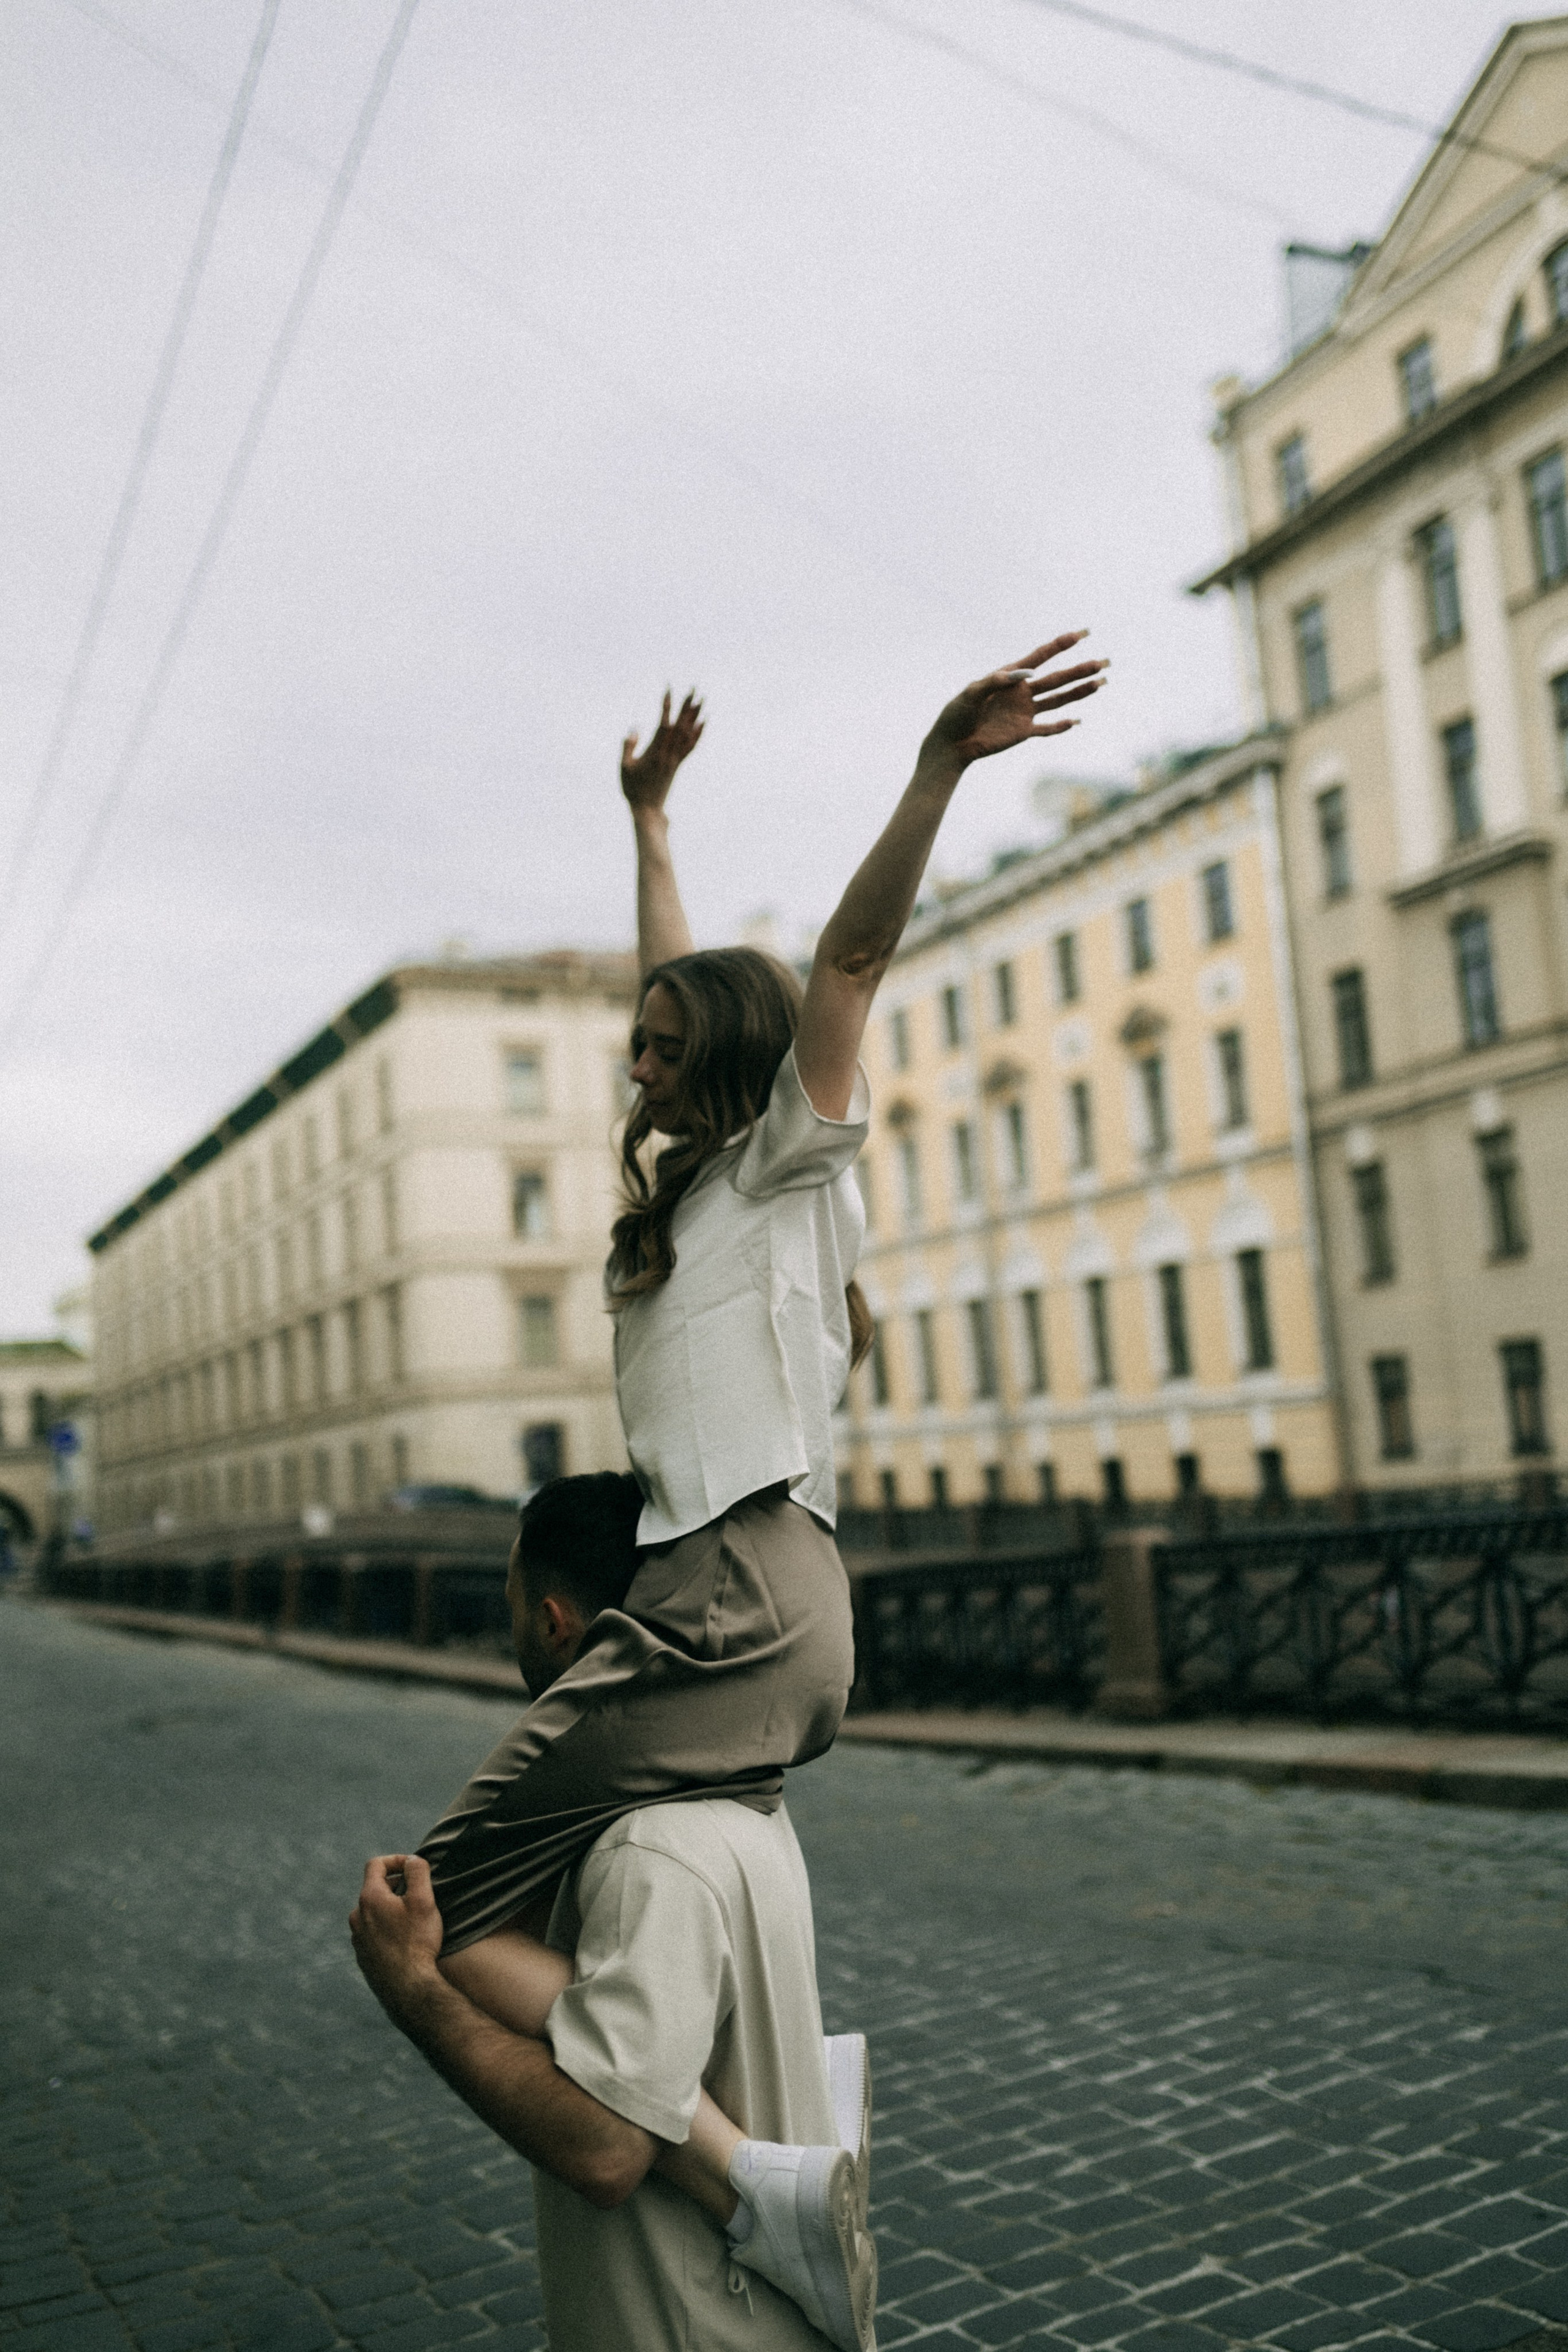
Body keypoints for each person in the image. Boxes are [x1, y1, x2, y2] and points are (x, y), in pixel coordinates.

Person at [412, 635, 1107, 2335]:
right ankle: (757, 2162)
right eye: (633, 1047)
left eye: (659, 1052)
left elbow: (846, 961)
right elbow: (690, 973)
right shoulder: (703, 1199)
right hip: (743, 1598)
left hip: (739, 1590)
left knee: (435, 1907)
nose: (634, 1068)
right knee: (571, 1878)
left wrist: (938, 767)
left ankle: (742, 2185)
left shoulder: (786, 1168)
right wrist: (651, 826)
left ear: (722, 1067)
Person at [353, 1470, 873, 2350]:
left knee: (449, 1913)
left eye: (518, 1605)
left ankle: (751, 2189)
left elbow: (607, 2150)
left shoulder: (647, 1852)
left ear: (556, 1622)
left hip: (698, 2327)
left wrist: (416, 1995)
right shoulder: (751, 1790)